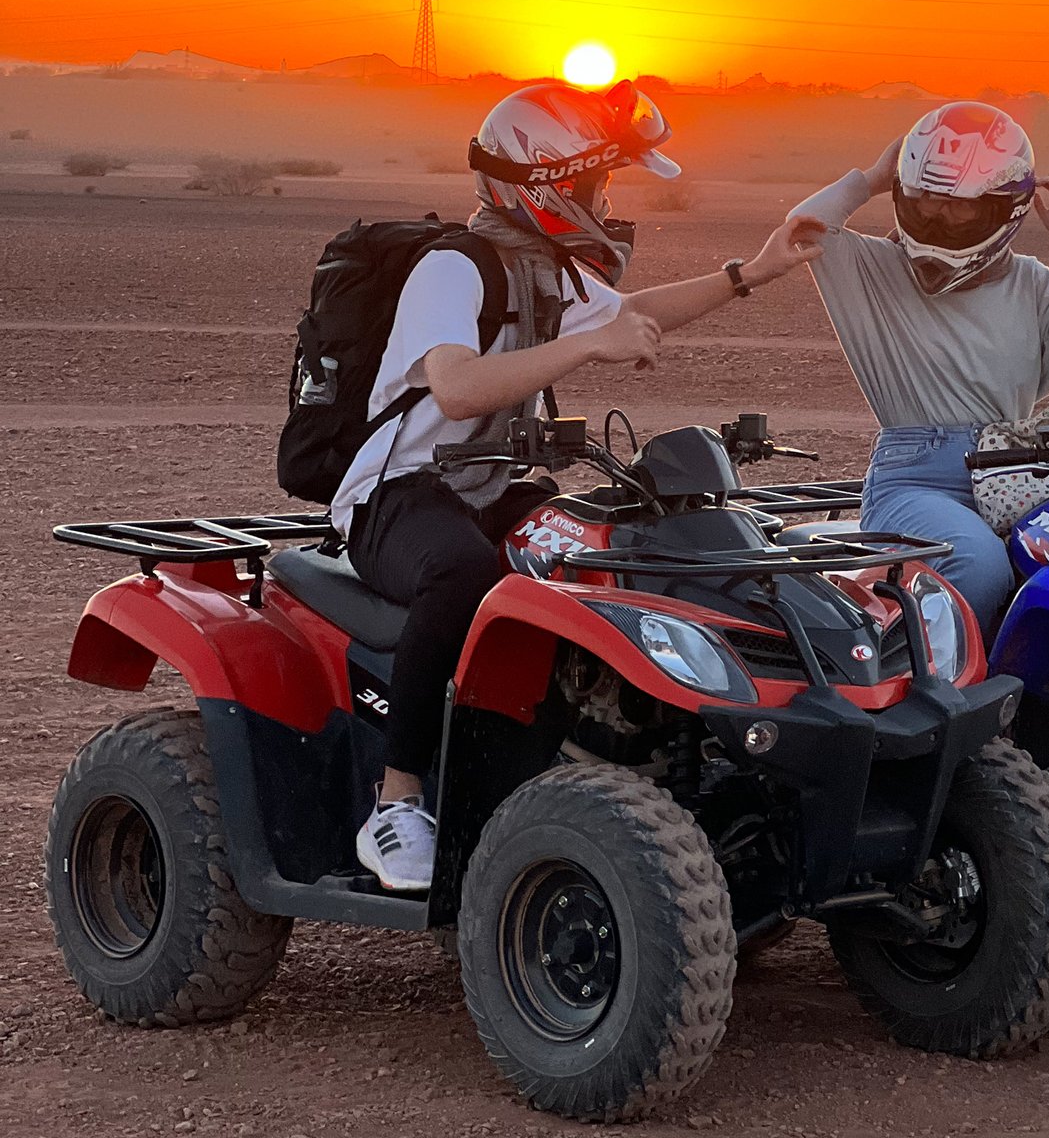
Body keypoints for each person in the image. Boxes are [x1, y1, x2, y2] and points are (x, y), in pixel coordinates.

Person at [340, 76, 822, 891]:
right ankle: (397, 802)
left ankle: (579, 760)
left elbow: (634, 312)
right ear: (546, 187)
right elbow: (456, 388)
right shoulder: (453, 269)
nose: (604, 201)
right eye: (596, 183)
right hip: (398, 494)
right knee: (462, 573)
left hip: (489, 485)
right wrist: (585, 348)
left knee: (603, 546)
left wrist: (753, 272)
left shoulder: (546, 269)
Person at [790, 101, 1049, 640]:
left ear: (1003, 209)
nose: (939, 219)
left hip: (1014, 471)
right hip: (913, 478)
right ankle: (937, 686)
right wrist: (870, 179)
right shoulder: (875, 269)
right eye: (925, 200)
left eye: (961, 208)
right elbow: (804, 232)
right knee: (978, 563)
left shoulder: (1031, 282)